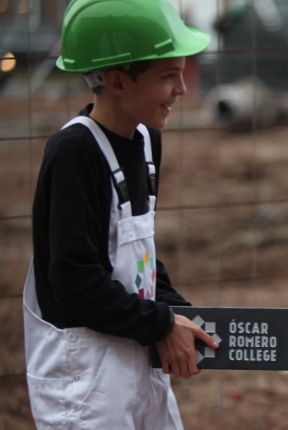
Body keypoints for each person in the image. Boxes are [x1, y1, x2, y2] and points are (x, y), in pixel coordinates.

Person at [23, 0, 217, 428]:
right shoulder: (74, 154)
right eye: (168, 76)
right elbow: (75, 280)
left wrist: (180, 313)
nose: (182, 89)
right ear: (117, 82)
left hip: (137, 352)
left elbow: (136, 256)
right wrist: (162, 323)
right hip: (85, 378)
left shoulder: (146, 141)